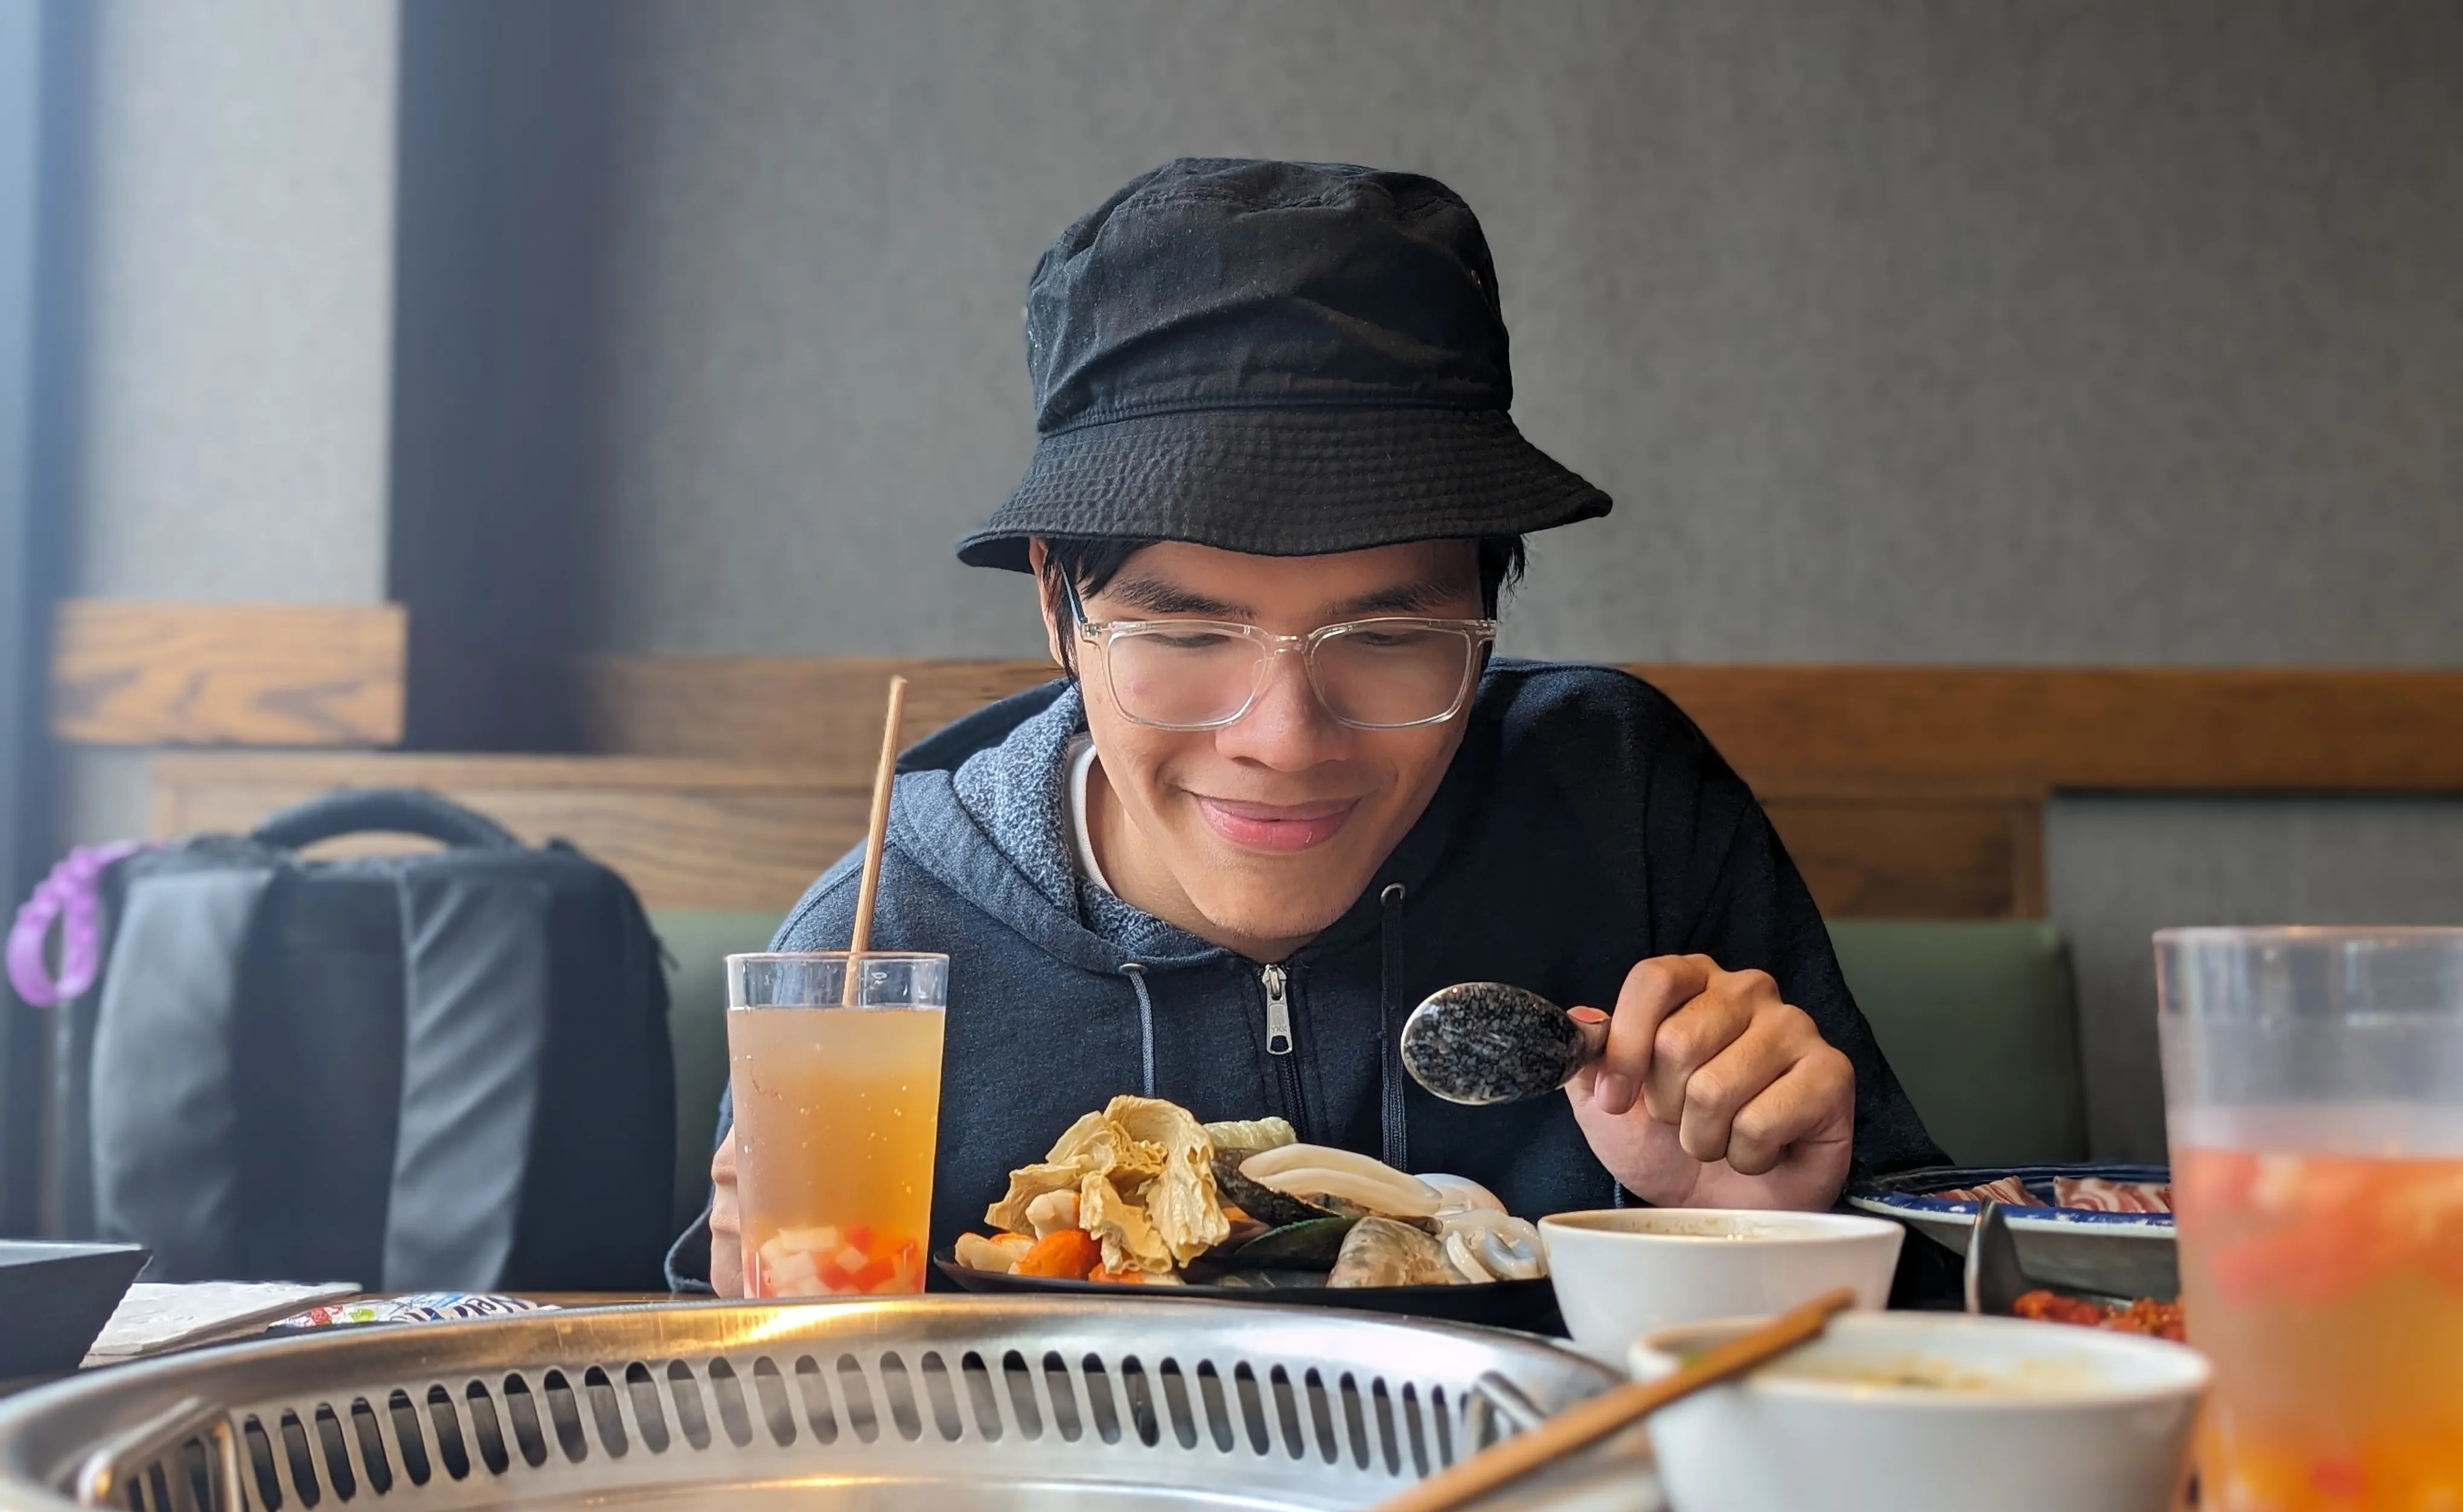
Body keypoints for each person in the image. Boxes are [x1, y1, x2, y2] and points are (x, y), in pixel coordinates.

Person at [672, 156, 1944, 1296]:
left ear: (1492, 604)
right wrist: (774, 1348)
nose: (1284, 738)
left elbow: (1951, 1363)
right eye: (1185, 636)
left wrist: (1767, 1244)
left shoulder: (1626, 806)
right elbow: (750, 1487)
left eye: (1389, 640)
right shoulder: (875, 957)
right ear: (1061, 606)